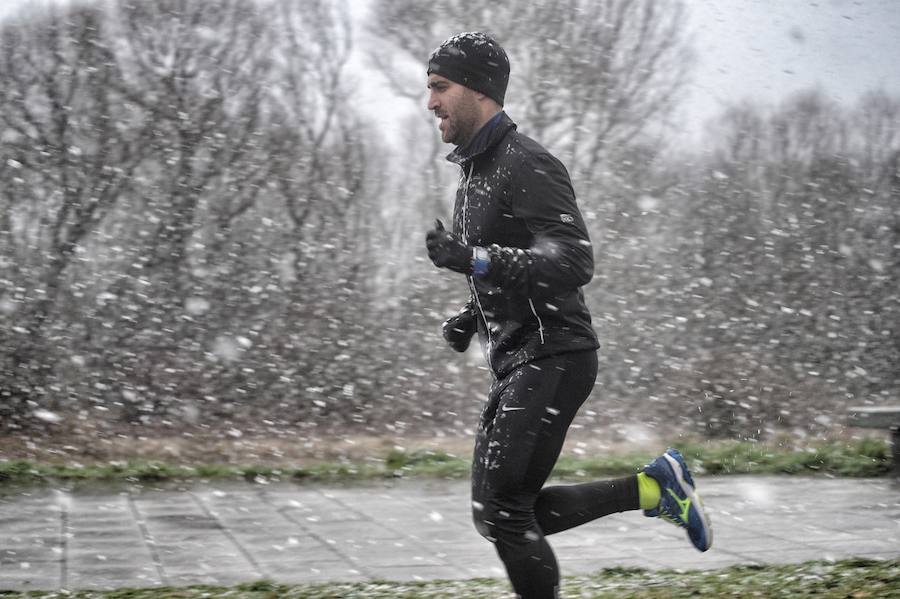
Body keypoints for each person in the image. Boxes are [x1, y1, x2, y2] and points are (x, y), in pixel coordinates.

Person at [423, 32, 712, 599]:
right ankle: (655, 489)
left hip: (554, 350)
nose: (430, 102)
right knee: (496, 513)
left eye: (439, 87)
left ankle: (657, 489)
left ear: (477, 90)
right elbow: (512, 268)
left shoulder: (524, 162)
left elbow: (572, 259)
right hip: (519, 357)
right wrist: (471, 314)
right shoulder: (474, 177)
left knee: (505, 513)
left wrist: (474, 259)